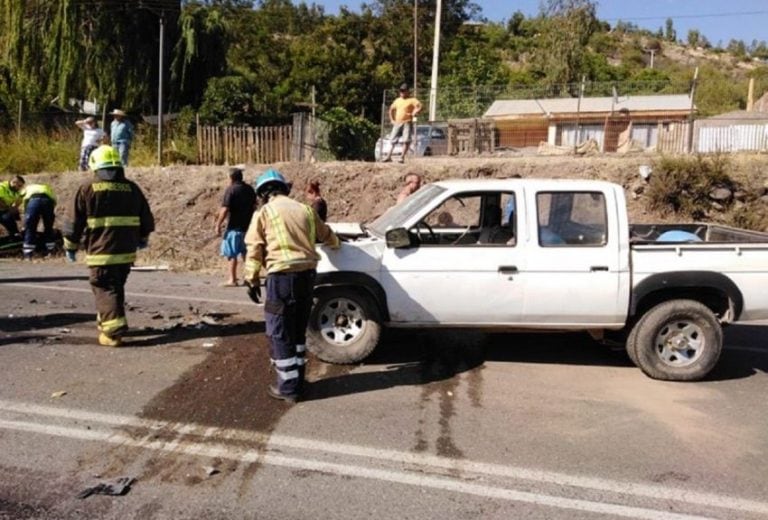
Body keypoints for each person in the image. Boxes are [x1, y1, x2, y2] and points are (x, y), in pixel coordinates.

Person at [244, 168, 341, 403]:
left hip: (282, 279)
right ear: (284, 189)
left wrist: (252, 278)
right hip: (307, 278)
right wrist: (339, 244)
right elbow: (328, 236)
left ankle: (288, 388)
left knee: (280, 332)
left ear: (264, 193)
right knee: (298, 331)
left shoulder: (264, 212)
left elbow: (254, 248)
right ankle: (298, 379)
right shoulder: (306, 210)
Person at [62, 145, 154, 347]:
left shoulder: (87, 189)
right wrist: (142, 238)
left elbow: (72, 222)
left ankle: (113, 332)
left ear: (94, 165)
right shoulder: (132, 188)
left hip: (101, 251)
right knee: (115, 286)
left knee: (104, 287)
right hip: (126, 252)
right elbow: (146, 219)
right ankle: (107, 320)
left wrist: (70, 246)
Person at [214, 167, 257, 286]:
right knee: (246, 253)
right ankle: (250, 278)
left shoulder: (231, 190)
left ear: (231, 178)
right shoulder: (249, 189)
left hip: (234, 227)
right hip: (248, 227)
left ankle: (232, 279)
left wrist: (218, 224)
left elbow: (225, 209)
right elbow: (254, 207)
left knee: (231, 254)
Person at [382, 83, 422, 163]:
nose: (402, 92)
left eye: (404, 91)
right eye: (401, 91)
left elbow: (420, 106)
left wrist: (415, 111)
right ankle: (388, 156)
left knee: (406, 140)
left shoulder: (412, 100)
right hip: (397, 123)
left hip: (407, 122)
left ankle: (402, 157)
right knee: (392, 139)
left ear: (408, 91)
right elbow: (391, 110)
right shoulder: (397, 100)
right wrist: (392, 119)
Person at [21, 183, 57, 259]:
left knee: (30, 228)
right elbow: (54, 201)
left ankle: (28, 253)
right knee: (48, 227)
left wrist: (26, 214)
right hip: (48, 202)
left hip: (33, 201)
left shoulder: (27, 188)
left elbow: (23, 199)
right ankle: (51, 250)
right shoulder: (47, 187)